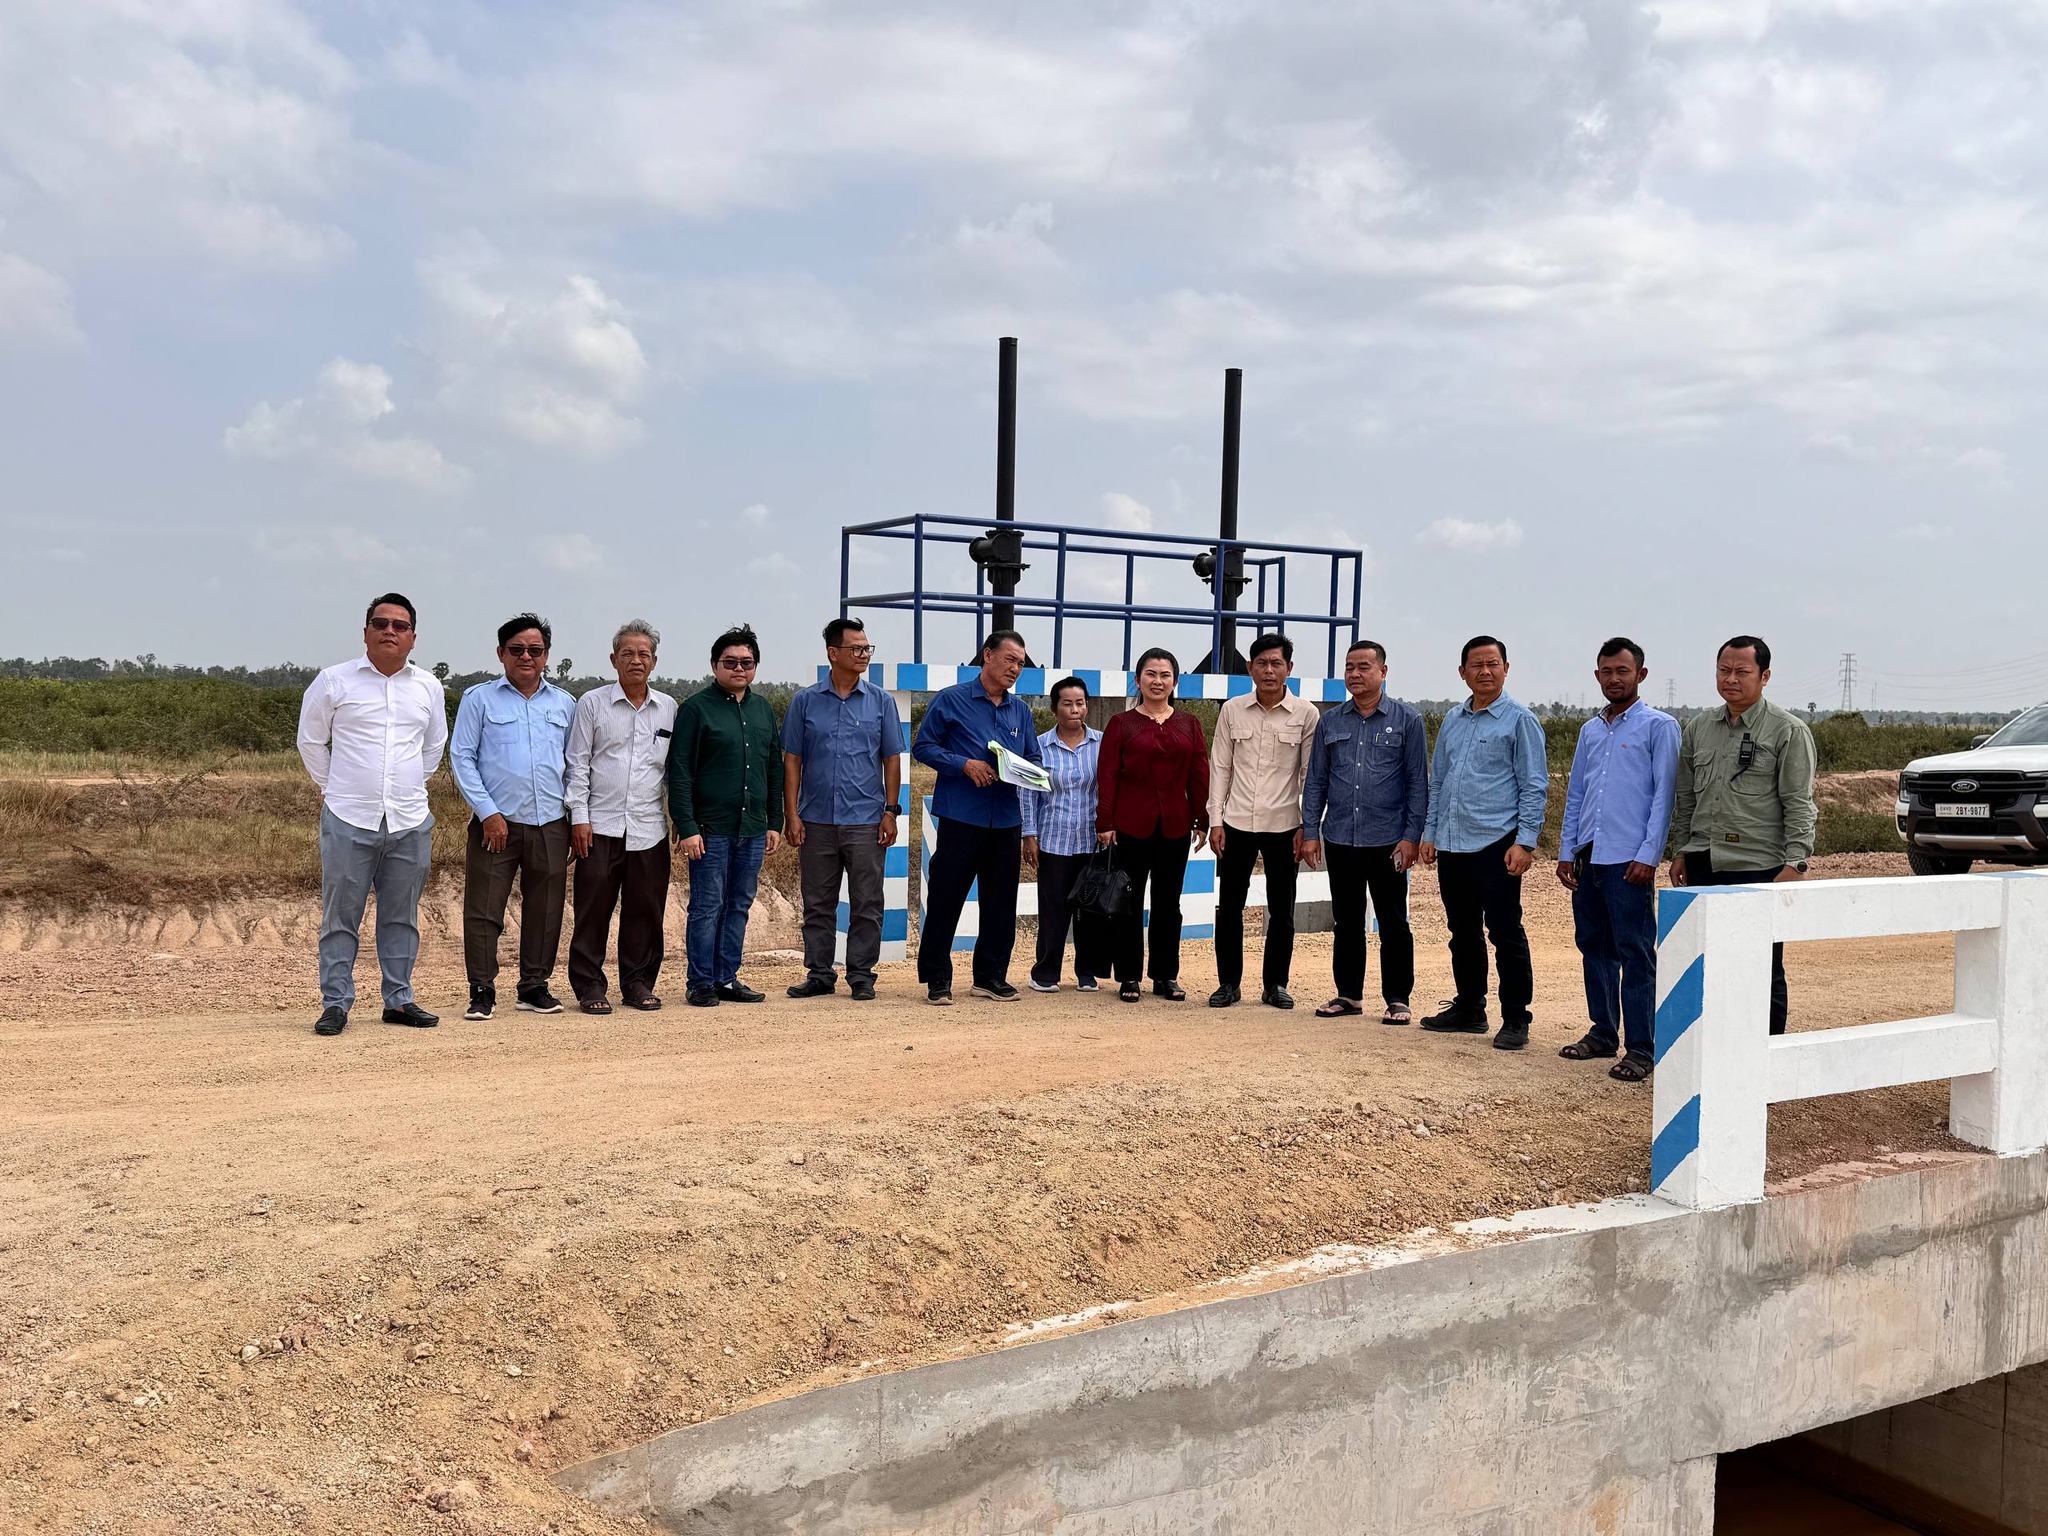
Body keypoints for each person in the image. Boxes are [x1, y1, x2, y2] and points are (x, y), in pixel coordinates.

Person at [297, 593, 448, 1036]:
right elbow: (310, 742)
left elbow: (434, 746)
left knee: (401, 915)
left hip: (409, 820)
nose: (390, 631)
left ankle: (398, 1000)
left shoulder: (428, 687)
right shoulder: (334, 681)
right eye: (381, 624)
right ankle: (336, 1003)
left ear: (413, 637)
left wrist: (408, 786)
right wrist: (335, 789)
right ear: (365, 632)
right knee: (341, 916)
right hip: (349, 818)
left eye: (400, 626)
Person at [1669, 635, 1817, 1037]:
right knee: (1704, 963)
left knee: (1762, 967)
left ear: (1764, 676)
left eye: (1741, 671)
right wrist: (1682, 850)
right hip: (1703, 861)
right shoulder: (1699, 728)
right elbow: (1686, 798)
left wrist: (1796, 863)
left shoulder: (1787, 731)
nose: (1730, 679)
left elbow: (1799, 802)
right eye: (1724, 670)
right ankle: (1713, 1051)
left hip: (1758, 866)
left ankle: (1766, 1055)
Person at [1556, 638, 1682, 1080]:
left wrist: (1650, 855)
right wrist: (1567, 851)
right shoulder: (1591, 731)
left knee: (1635, 951)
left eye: (1622, 671)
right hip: (1589, 856)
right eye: (1606, 672)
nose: (1614, 679)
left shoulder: (1659, 727)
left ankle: (1642, 1047)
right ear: (1597, 676)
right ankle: (1603, 1032)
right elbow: (1577, 794)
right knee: (1594, 946)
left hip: (1630, 860)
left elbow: (1664, 796)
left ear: (1640, 675)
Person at [1418, 636, 1548, 1050]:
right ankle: (1470, 1008)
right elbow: (1438, 780)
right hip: (1453, 844)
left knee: (1505, 932)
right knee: (1462, 931)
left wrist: (1525, 842)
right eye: (1476, 665)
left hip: (1498, 842)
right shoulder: (1453, 720)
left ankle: (1516, 1018)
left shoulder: (1520, 720)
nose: (1485, 671)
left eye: (1493, 663)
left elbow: (1534, 786)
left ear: (1506, 668)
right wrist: (1430, 833)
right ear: (1463, 672)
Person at [451, 613, 576, 1021]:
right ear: (501, 653)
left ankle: (534, 987)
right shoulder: (479, 699)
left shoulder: (564, 704)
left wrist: (575, 818)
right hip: (496, 825)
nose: (526, 656)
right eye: (517, 649)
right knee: (484, 910)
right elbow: (462, 758)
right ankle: (482, 990)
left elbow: (575, 765)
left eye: (535, 650)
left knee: (546, 909)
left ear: (546, 655)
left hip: (551, 823)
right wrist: (488, 813)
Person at [1299, 640, 1429, 1024]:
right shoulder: (1331, 722)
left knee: (1393, 921)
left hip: (1389, 839)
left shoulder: (1408, 720)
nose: (1355, 674)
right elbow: (1316, 780)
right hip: (1340, 837)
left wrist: (1412, 836)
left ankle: (1398, 999)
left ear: (1383, 672)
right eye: (1349, 667)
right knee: (1347, 921)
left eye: (1364, 667)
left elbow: (1417, 783)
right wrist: (1310, 831)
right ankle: (1349, 995)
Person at [912, 630, 1043, 1005]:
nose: (1015, 668)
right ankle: (937, 978)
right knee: (946, 898)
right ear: (987, 656)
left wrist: (1019, 769)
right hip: (960, 817)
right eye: (1010, 659)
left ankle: (990, 976)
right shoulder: (951, 699)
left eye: (1021, 663)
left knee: (1001, 903)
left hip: (1006, 820)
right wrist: (963, 764)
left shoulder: (1020, 711)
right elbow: (923, 747)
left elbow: (1034, 759)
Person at [781, 617, 904, 1002]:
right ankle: (819, 973)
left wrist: (890, 811)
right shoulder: (804, 701)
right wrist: (791, 814)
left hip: (866, 820)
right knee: (818, 903)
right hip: (815, 820)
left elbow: (892, 759)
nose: (864, 654)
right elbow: (792, 760)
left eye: (867, 648)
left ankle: (861, 974)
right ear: (833, 653)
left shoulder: (881, 701)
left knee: (868, 902)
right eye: (856, 648)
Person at [667, 624, 784, 1008]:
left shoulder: (763, 709)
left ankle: (727, 978)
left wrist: (774, 822)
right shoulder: (696, 709)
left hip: (751, 828)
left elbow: (773, 769)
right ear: (714, 665)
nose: (739, 669)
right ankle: (701, 981)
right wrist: (687, 826)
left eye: (746, 663)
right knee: (707, 906)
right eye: (730, 662)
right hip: (709, 829)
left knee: (739, 904)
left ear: (755, 666)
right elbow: (680, 772)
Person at [565, 620, 678, 1015]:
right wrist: (579, 818)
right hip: (599, 826)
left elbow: (672, 771)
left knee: (645, 910)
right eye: (627, 653)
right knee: (592, 910)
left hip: (649, 828)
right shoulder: (592, 704)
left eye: (644, 654)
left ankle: (638, 983)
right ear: (614, 660)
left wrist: (679, 819)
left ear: (654, 662)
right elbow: (577, 764)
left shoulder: (668, 708)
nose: (636, 660)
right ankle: (589, 985)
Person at [1207, 632, 1318, 1009]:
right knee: (1229, 907)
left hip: (1285, 824)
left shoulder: (1306, 714)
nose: (1269, 670)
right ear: (1250, 668)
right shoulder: (1232, 710)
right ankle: (1228, 983)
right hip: (1236, 822)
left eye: (1276, 663)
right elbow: (1220, 767)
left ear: (1289, 668)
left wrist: (1307, 825)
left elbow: (1310, 774)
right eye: (1262, 663)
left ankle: (1275, 985)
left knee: (1282, 910)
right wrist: (1215, 819)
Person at [1098, 647, 1210, 1003]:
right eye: (1151, 674)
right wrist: (1105, 821)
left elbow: (1199, 773)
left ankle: (1165, 975)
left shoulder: (1189, 724)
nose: (1157, 681)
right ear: (1138, 680)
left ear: (1175, 682)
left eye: (1165, 675)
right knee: (1128, 902)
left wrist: (1202, 819)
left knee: (1168, 903)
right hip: (1130, 825)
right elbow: (1107, 774)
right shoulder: (1121, 723)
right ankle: (1129, 976)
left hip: (1175, 825)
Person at [1021, 676, 1104, 993]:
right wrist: (1029, 834)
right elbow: (1028, 793)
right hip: (1053, 840)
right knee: (1053, 908)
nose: (1074, 709)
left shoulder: (1102, 743)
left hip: (1091, 840)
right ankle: (1046, 972)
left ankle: (1087, 973)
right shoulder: (1039, 746)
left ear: (1087, 706)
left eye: (1080, 703)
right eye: (1067, 703)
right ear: (1054, 708)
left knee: (1089, 909)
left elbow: (1110, 787)